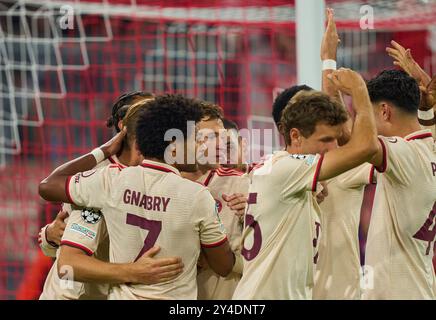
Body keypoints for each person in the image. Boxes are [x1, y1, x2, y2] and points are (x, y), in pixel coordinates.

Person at [39, 94, 235, 299]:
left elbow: (48, 186)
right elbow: (224, 265)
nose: (200, 147)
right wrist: (134, 271)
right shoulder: (196, 196)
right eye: (196, 138)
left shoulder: (108, 181)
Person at [233, 68, 379, 299]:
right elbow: (366, 147)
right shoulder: (288, 170)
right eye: (325, 140)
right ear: (295, 136)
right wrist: (359, 90)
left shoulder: (283, 173)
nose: (333, 148)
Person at [313, 8, 376, 300]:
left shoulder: (276, 170)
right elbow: (359, 140)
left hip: (336, 291)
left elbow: (346, 132)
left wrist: (328, 60)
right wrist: (359, 94)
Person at [362, 69, 436, 300]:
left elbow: (363, 145)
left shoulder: (404, 153)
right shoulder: (428, 150)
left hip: (398, 293)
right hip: (419, 286)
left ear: (384, 111)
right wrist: (426, 110)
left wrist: (355, 90)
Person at [181, 102, 249, 300]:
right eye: (210, 137)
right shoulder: (160, 184)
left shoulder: (242, 184)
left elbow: (266, 252)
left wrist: (255, 215)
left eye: (222, 137)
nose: (221, 145)